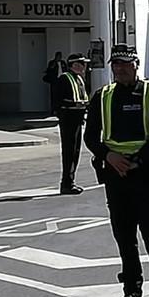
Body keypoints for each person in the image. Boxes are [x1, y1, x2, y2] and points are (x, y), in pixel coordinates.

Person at [84, 44, 149, 297]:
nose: (121, 69)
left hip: (144, 172)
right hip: (115, 174)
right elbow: (91, 136)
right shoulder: (103, 96)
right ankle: (132, 290)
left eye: (126, 65)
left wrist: (134, 161)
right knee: (124, 235)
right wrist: (109, 156)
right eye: (116, 65)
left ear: (136, 65)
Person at [53, 53, 90, 195]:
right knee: (69, 152)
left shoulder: (79, 79)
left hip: (77, 119)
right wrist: (75, 104)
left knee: (75, 152)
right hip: (68, 119)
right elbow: (58, 101)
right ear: (75, 65)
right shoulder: (64, 79)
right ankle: (66, 183)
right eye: (82, 63)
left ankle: (70, 181)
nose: (85, 66)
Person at [44, 51, 67, 117]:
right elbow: (49, 70)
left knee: (62, 95)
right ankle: (53, 110)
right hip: (55, 81)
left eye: (60, 56)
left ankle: (60, 109)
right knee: (54, 96)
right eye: (58, 56)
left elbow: (66, 70)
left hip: (62, 80)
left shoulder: (63, 63)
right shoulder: (52, 63)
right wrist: (54, 63)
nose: (59, 57)